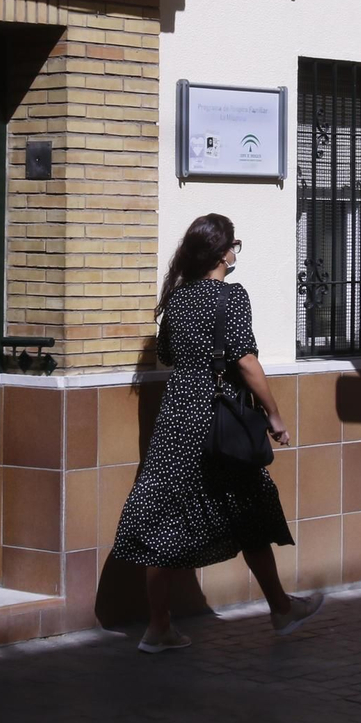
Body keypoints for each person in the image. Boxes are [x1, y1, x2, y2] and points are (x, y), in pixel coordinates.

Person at [110, 212, 323, 653]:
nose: (235, 252)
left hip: (176, 420)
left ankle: (159, 626)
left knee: (164, 520)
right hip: (218, 420)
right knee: (249, 510)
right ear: (223, 253)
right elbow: (246, 361)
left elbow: (168, 354)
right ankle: (281, 609)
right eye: (234, 245)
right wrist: (275, 416)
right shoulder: (231, 296)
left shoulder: (178, 297)